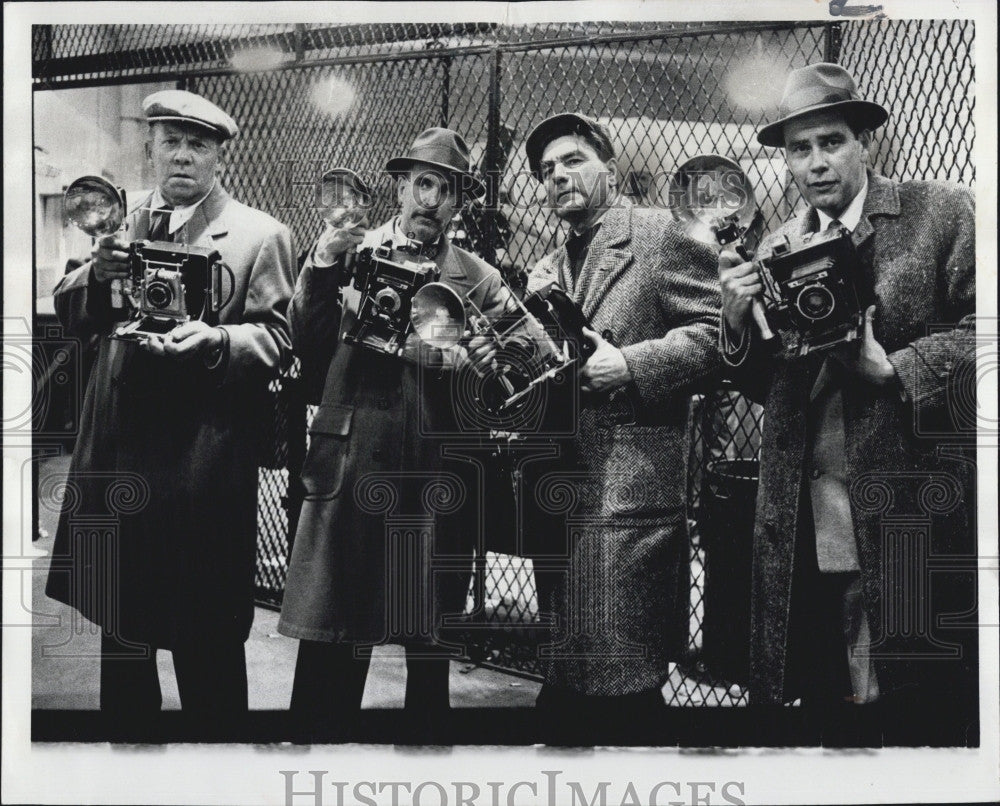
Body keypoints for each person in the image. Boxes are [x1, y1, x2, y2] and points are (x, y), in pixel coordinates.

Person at [719, 63, 976, 736]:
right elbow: (764, 388)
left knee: (913, 696)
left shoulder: (939, 213)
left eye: (830, 142)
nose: (815, 163)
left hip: (904, 504)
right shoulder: (778, 246)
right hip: (804, 513)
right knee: (822, 696)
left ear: (866, 143)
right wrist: (737, 320)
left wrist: (894, 368)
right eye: (798, 150)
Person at [45, 90, 296, 729]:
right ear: (151, 147)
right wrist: (97, 276)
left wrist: (219, 340)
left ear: (219, 157)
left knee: (207, 648)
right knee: (121, 642)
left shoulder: (258, 235)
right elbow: (74, 317)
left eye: (199, 144)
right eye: (171, 141)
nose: (183, 155)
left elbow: (280, 339)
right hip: (119, 465)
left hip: (197, 468)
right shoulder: (116, 225)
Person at [277, 128, 508, 734]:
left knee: (428, 643)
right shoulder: (351, 249)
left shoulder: (479, 278)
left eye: (448, 190)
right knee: (333, 635)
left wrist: (468, 363)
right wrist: (324, 264)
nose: (433, 200)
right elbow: (307, 344)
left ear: (460, 203)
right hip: (352, 459)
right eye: (424, 183)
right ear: (402, 187)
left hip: (436, 473)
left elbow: (507, 376)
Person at [515, 113, 720, 735]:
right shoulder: (552, 263)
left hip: (630, 500)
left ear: (608, 164)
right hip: (564, 493)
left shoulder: (660, 235)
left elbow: (717, 337)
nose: (558, 177)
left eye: (573, 160)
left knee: (619, 685)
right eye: (547, 171)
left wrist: (630, 363)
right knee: (574, 678)